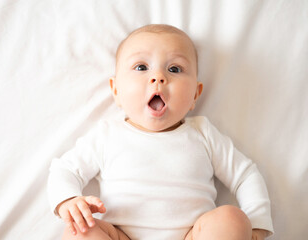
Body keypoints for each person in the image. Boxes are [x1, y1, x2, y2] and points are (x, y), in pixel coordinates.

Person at [48, 24, 274, 240]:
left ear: (195, 94)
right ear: (116, 90)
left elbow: (245, 175)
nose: (158, 77)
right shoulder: (106, 135)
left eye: (174, 69)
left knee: (232, 219)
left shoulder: (203, 133)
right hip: (121, 236)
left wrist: (257, 224)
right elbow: (65, 169)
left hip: (193, 234)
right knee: (79, 232)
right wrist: (67, 199)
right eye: (141, 67)